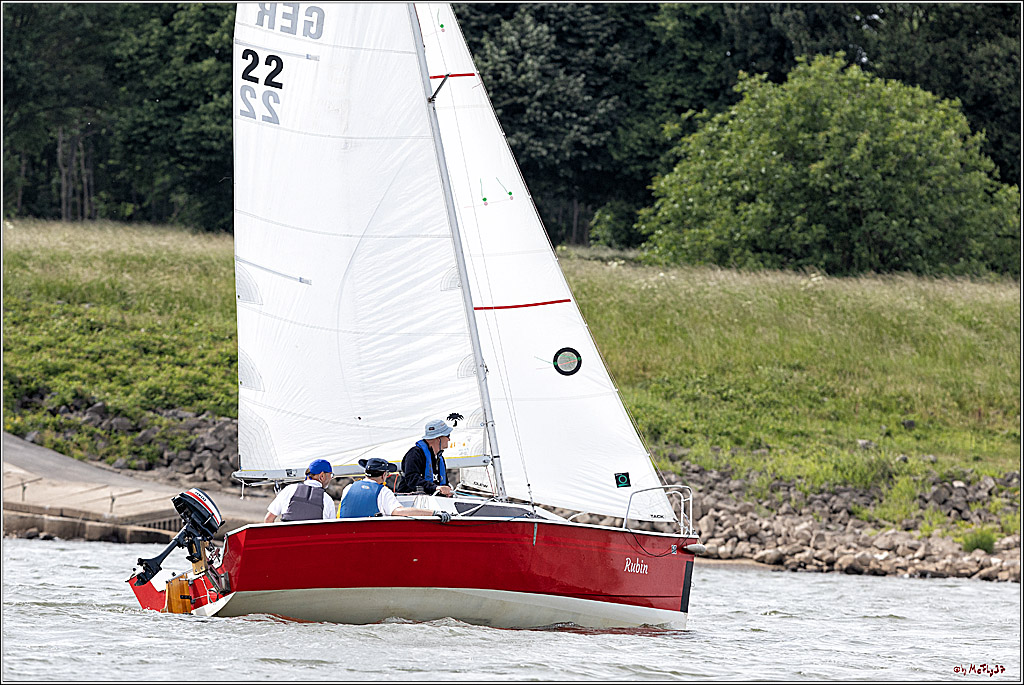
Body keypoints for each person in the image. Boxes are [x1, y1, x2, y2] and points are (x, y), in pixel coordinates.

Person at [339, 457, 451, 521]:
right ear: (384, 475)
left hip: (349, 537)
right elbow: (399, 511)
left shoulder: (348, 488)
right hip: (371, 540)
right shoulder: (383, 492)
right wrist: (434, 513)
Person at [264, 458, 336, 522]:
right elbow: (331, 530)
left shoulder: (290, 489)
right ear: (322, 476)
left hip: (288, 536)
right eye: (331, 475)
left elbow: (268, 519)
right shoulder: (327, 500)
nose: (331, 479)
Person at [397, 419, 455, 497]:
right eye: (447, 436)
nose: (449, 439)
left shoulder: (439, 458)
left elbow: (443, 482)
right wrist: (435, 488)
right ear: (439, 438)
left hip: (433, 500)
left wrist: (447, 490)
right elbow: (411, 479)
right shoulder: (414, 454)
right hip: (413, 500)